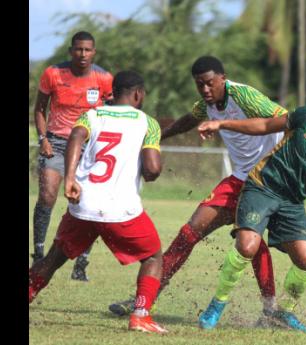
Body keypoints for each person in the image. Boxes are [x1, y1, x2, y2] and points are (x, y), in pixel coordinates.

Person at [109, 55, 288, 326]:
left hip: (265, 183)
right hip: (239, 179)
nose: (205, 90)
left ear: (222, 80)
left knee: (251, 242)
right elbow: (187, 121)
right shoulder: (206, 105)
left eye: (209, 83)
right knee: (189, 232)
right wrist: (156, 137)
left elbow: (284, 119)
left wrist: (281, 165)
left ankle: (270, 310)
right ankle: (145, 298)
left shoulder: (243, 96)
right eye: (199, 85)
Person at [196, 99, 306, 332]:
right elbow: (264, 125)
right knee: (247, 246)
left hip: (292, 203)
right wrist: (222, 125)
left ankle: (280, 314)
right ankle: (217, 305)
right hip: (262, 186)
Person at [29, 71, 168, 334]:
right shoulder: (148, 123)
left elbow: (75, 137)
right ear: (138, 94)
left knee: (54, 258)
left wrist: (70, 177)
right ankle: (140, 315)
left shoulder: (92, 114)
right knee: (152, 257)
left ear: (113, 93)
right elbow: (151, 170)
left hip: (84, 203)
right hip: (120, 210)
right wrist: (152, 163)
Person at [32, 31, 113, 282]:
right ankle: (38, 255)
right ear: (71, 51)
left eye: (88, 50)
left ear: (94, 52)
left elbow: (111, 111)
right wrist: (43, 139)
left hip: (89, 145)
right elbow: (39, 109)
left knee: (87, 202)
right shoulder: (53, 74)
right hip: (56, 142)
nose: (83, 54)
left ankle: (81, 263)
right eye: (78, 49)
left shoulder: (104, 78)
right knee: (47, 195)